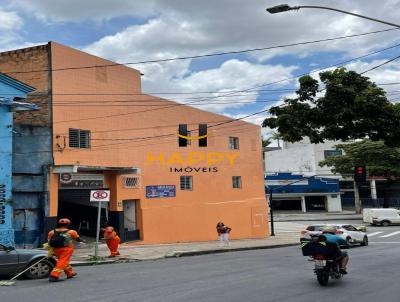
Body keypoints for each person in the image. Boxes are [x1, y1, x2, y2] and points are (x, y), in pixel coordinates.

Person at [47, 218, 85, 282]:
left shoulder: (51, 232)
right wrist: (83, 241)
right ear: (68, 224)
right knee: (62, 262)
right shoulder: (71, 232)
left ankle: (70, 273)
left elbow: (48, 241)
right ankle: (54, 276)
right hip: (66, 249)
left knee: (63, 261)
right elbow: (78, 239)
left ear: (59, 224)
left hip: (55, 249)